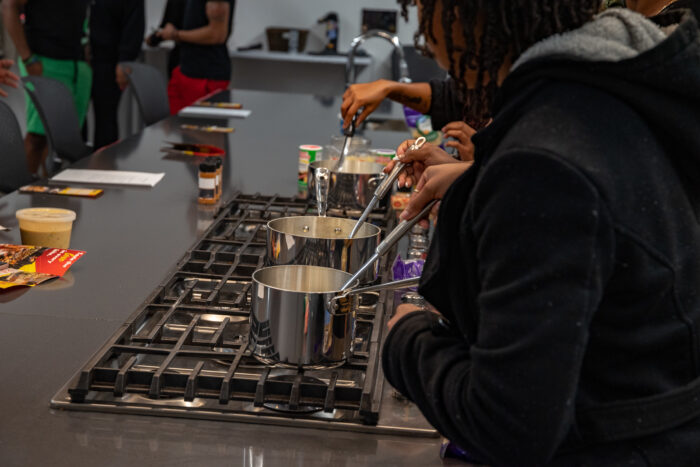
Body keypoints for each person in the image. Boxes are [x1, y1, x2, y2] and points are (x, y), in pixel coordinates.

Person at [381, 1, 700, 466]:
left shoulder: (544, 161)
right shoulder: (601, 89)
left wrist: (406, 338)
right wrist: (476, 183)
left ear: (471, 15)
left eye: (428, 10)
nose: (425, 36)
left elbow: (508, 424)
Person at [1, 0, 91, 176]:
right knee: (37, 137)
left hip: (76, 63)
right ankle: (19, 193)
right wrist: (28, 58)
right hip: (44, 60)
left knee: (63, 140)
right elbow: (8, 5)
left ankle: (45, 191)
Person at [156, 0, 235, 114]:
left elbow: (217, 35)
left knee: (200, 128)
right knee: (178, 128)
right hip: (184, 70)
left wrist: (175, 34)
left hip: (205, 77)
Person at [90, 0, 145, 150]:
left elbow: (134, 25)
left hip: (109, 61)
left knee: (106, 120)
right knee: (75, 121)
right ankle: (75, 166)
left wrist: (125, 61)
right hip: (79, 58)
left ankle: (106, 168)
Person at [146, 0, 187, 78]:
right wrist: (154, 38)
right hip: (179, 60)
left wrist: (176, 34)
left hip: (197, 61)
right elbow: (166, 28)